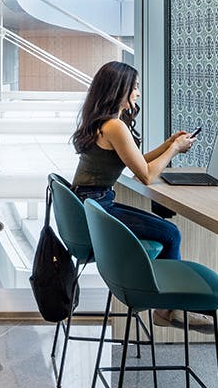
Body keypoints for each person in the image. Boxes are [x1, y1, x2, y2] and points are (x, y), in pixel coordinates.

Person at [70, 61, 194, 262]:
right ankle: (164, 282)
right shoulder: (115, 126)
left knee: (168, 232)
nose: (138, 93)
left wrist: (169, 144)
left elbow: (138, 162)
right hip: (97, 204)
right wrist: (175, 149)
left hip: (89, 201)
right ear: (119, 89)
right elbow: (146, 176)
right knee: (171, 233)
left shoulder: (103, 122)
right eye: (134, 87)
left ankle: (156, 278)